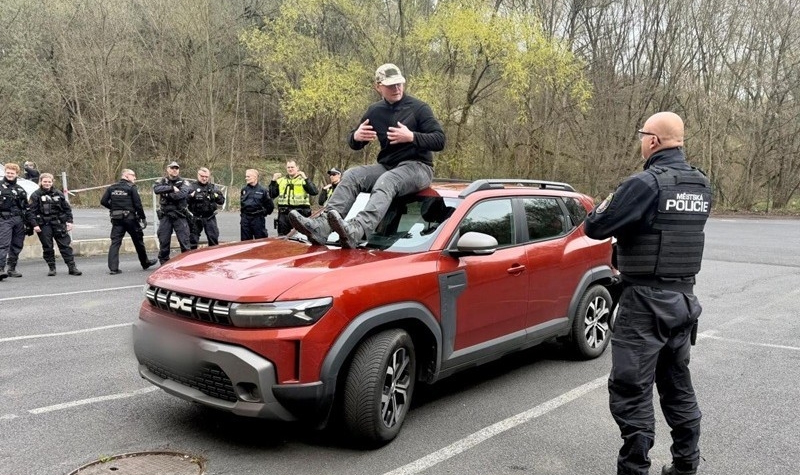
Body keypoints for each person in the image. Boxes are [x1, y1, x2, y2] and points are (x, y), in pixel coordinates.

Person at [583, 112, 711, 475]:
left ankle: (634, 469)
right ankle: (686, 463)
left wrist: (610, 201)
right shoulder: (701, 185)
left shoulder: (645, 183)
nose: (641, 141)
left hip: (645, 303)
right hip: (683, 301)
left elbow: (596, 226)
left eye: (643, 135)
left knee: (631, 389)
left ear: (653, 140)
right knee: (676, 384)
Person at [289, 63, 445, 247]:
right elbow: (355, 142)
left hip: (419, 167)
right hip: (387, 166)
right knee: (352, 175)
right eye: (390, 85)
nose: (396, 88)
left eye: (399, 84)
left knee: (388, 180)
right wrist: (355, 137)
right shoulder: (375, 111)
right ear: (378, 86)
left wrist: (411, 136)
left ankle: (358, 229)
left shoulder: (419, 108)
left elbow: (440, 140)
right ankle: (323, 226)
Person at [100, 169, 158, 274]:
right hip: (130, 219)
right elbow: (138, 204)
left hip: (117, 218)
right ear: (126, 176)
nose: (135, 178)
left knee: (115, 242)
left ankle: (113, 268)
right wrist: (143, 218)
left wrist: (114, 208)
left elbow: (103, 201)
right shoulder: (131, 188)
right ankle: (145, 262)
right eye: (133, 175)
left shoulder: (112, 187)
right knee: (138, 241)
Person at [27, 173, 82, 276]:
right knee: (48, 247)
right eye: (45, 182)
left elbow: (67, 209)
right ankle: (52, 267)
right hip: (44, 225)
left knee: (65, 246)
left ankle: (72, 267)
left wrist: (69, 221)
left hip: (58, 224)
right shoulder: (35, 195)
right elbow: (30, 212)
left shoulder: (58, 193)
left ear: (52, 182)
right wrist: (35, 225)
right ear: (41, 182)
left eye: (49, 182)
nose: (47, 184)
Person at [153, 161, 192, 264]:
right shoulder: (162, 181)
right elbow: (156, 189)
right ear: (168, 169)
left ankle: (186, 263)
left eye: (176, 168)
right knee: (164, 241)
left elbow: (181, 195)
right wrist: (171, 189)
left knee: (185, 242)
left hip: (179, 215)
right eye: (172, 168)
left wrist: (166, 194)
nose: (175, 170)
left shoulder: (184, 182)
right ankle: (164, 263)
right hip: (166, 216)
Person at [269, 160, 318, 235]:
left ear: (297, 168)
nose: (290, 169)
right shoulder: (281, 180)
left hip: (300, 213)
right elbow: (272, 195)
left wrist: (306, 178)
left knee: (301, 237)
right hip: (284, 214)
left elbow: (314, 192)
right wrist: (273, 181)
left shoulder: (303, 180)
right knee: (283, 237)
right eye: (288, 167)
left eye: (292, 167)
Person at [0, 163, 28, 280]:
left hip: (19, 219)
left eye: (12, 173)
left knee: (17, 244)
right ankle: (1, 269)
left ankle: (12, 268)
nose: (10, 175)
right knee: (3, 244)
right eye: (8, 172)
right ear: (5, 173)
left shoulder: (20, 189)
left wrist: (29, 223)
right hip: (4, 218)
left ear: (17, 174)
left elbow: (25, 207)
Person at [188, 167, 226, 249]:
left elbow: (221, 201)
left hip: (209, 217)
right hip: (195, 217)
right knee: (192, 241)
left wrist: (215, 196)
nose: (204, 178)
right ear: (198, 175)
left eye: (206, 177)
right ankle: (191, 260)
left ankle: (213, 258)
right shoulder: (191, 187)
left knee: (213, 239)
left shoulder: (213, 187)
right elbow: (184, 201)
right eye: (202, 176)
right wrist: (191, 196)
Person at [240, 168, 274, 240]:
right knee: (245, 243)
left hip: (258, 219)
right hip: (246, 219)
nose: (246, 178)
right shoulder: (244, 190)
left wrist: (263, 213)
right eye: (246, 176)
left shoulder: (263, 190)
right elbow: (242, 205)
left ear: (255, 177)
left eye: (248, 176)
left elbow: (270, 206)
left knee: (260, 241)